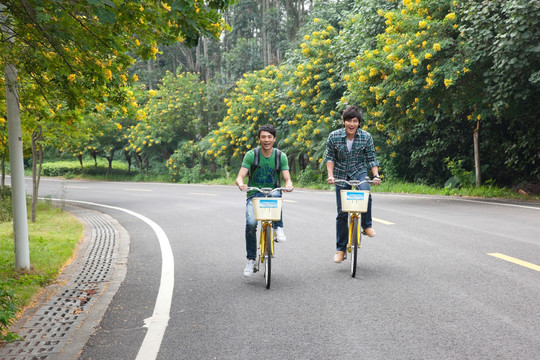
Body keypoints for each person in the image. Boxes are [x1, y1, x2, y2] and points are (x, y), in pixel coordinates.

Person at [325, 105, 381, 264]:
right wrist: (330, 176)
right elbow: (330, 158)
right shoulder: (334, 137)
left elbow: (371, 158)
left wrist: (375, 175)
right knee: (342, 213)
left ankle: (366, 225)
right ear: (343, 122)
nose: (351, 124)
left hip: (359, 171)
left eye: (355, 121)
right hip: (341, 174)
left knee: (366, 193)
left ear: (358, 123)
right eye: (348, 120)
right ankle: (340, 249)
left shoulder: (366, 137)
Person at [236, 124, 293, 277]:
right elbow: (240, 176)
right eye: (263, 137)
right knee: (251, 224)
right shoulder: (251, 155)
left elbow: (287, 178)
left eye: (269, 137)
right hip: (254, 194)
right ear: (259, 139)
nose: (266, 140)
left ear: (274, 139)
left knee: (276, 196)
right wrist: (241, 184)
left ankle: (278, 228)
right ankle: (251, 260)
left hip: (272, 192)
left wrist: (288, 185)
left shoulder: (280, 156)